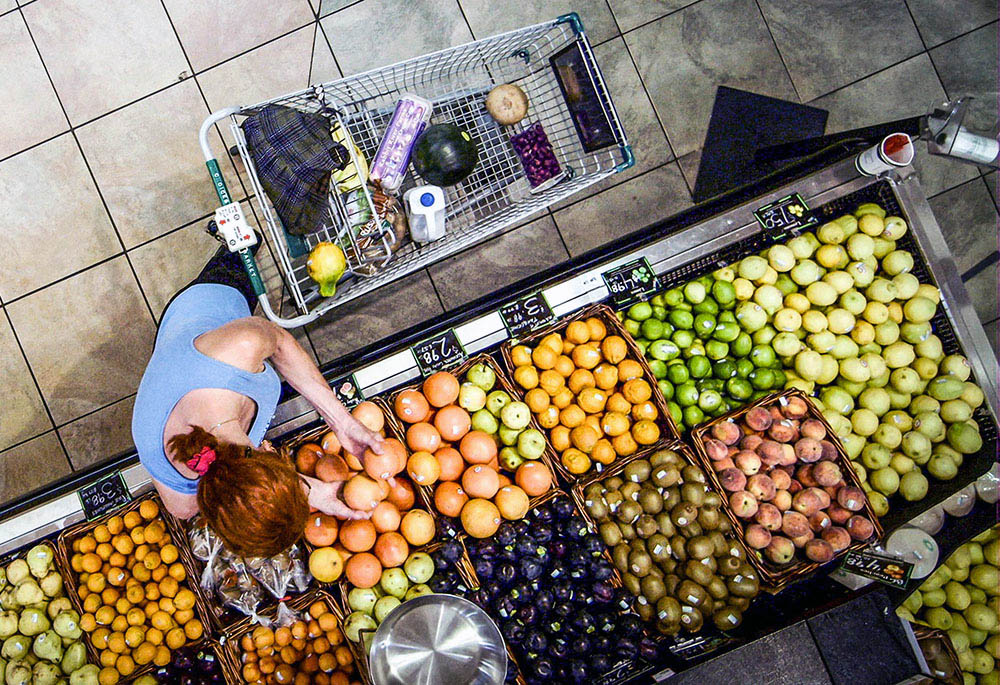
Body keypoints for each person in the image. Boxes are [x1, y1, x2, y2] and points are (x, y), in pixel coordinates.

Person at [132, 238, 383, 558]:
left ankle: (236, 245)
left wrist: (342, 424)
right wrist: (313, 491)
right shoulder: (183, 498)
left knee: (239, 263)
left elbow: (278, 342)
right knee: (240, 270)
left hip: (209, 305)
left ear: (270, 452)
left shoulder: (240, 347)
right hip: (188, 336)